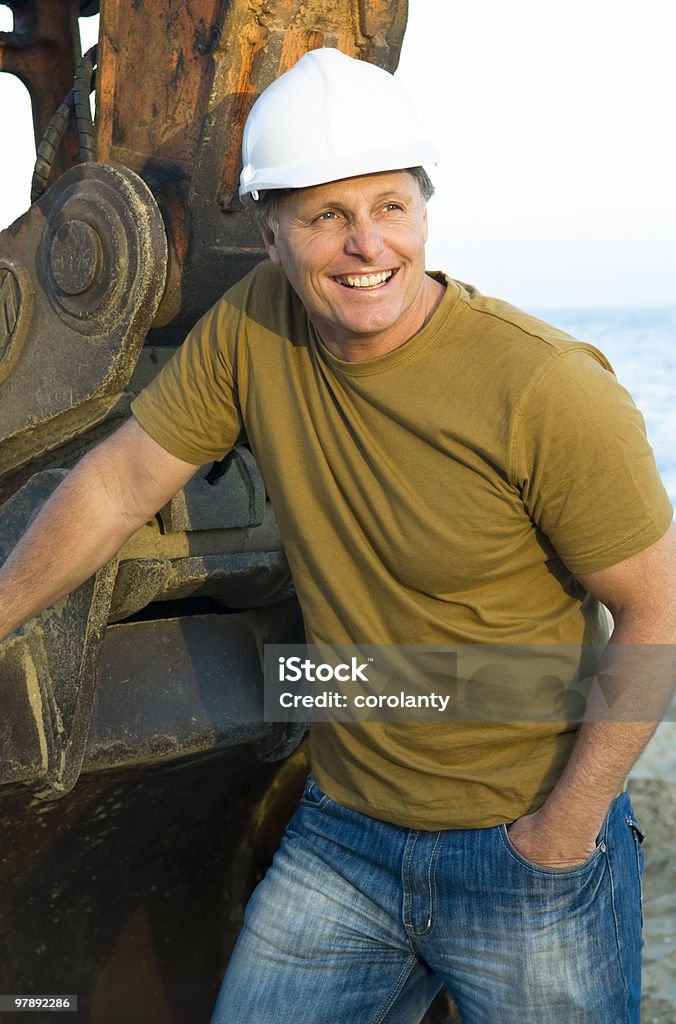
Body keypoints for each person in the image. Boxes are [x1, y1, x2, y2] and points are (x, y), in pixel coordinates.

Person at [0, 47, 674, 1024]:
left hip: (521, 849)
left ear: (422, 212)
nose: (366, 244)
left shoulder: (543, 386)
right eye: (325, 216)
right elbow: (118, 483)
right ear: (270, 234)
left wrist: (565, 828)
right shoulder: (251, 328)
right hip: (343, 839)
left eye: (389, 206)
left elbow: (654, 607)